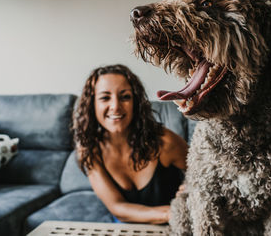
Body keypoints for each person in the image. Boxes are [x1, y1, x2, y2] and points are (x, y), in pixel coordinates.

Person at [73, 64, 188, 224]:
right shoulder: (89, 149)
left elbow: (209, 175)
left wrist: (190, 188)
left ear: (136, 102)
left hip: (174, 224)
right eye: (105, 97)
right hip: (127, 223)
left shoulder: (165, 142)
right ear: (92, 105)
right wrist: (171, 213)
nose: (115, 106)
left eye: (125, 97)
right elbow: (117, 207)